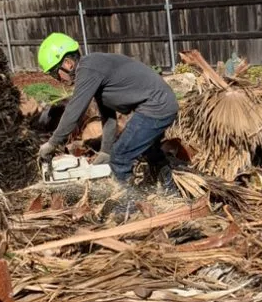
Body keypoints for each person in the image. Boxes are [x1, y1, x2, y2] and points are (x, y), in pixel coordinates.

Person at [36, 34, 179, 191]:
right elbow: (108, 115)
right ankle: (168, 189)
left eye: (55, 73)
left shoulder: (88, 69)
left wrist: (52, 143)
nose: (57, 79)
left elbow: (74, 111)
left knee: (120, 158)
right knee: (144, 147)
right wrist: (105, 151)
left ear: (68, 64)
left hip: (156, 106)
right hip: (160, 103)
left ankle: (128, 204)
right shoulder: (94, 68)